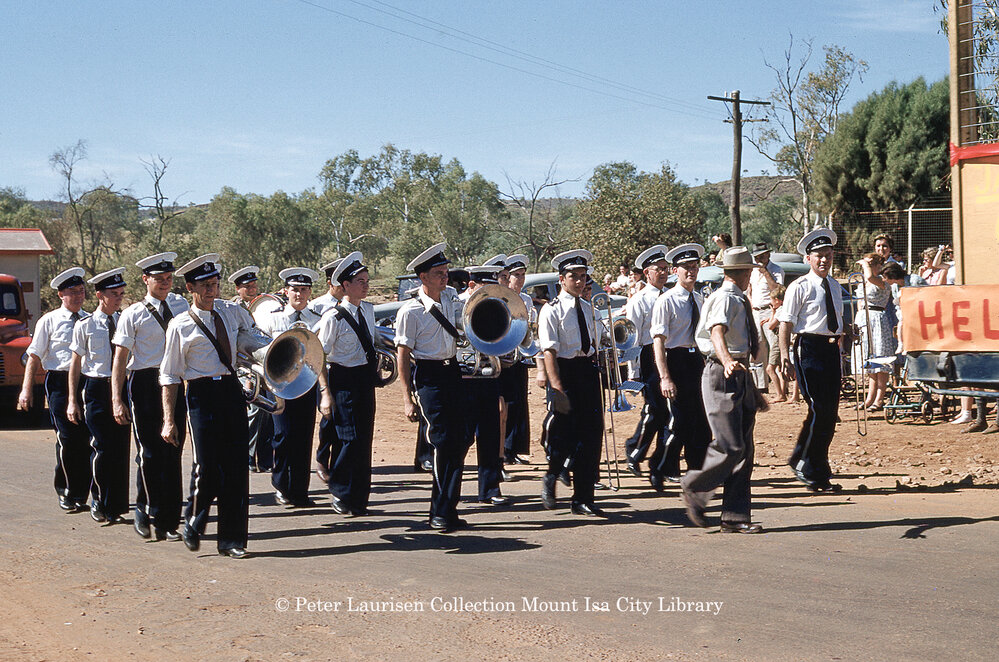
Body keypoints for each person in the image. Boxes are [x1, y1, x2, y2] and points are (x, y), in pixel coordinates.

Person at [160, 254, 271, 559]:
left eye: (215, 284)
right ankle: (194, 519)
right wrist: (169, 419)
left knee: (236, 468)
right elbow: (169, 376)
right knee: (207, 466)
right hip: (200, 395)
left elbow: (256, 339)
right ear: (190, 287)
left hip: (231, 391)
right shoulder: (180, 325)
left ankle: (232, 540)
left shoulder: (232, 312)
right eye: (205, 285)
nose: (212, 290)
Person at [680, 246, 764, 534]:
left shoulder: (738, 298)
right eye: (749, 271)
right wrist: (728, 361)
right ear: (742, 273)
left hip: (739, 371)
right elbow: (717, 331)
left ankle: (735, 516)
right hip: (722, 371)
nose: (750, 275)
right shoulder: (725, 299)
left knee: (744, 449)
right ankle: (694, 486)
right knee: (731, 445)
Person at [112, 252, 189, 540]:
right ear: (146, 280)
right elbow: (120, 359)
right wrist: (116, 398)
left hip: (176, 381)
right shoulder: (133, 313)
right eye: (159, 279)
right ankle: (145, 509)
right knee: (150, 451)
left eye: (169, 279)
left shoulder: (181, 305)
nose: (165, 284)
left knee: (173, 450)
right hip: (145, 382)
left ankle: (169, 520)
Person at [395, 242, 471, 532]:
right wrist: (406, 398)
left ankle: (448, 507)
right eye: (439, 273)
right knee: (442, 443)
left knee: (461, 439)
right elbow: (403, 355)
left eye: (446, 271)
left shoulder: (451, 299)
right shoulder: (410, 312)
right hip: (429, 377)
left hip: (453, 373)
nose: (445, 277)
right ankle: (439, 511)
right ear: (423, 277)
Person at [18, 267, 92, 512]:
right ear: (61, 294)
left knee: (86, 439)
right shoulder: (49, 321)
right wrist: (26, 390)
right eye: (73, 292)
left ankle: (83, 491)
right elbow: (34, 356)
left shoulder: (90, 319)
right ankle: (66, 489)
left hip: (86, 382)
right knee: (68, 438)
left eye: (82, 291)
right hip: (59, 383)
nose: (79, 296)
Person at [777, 228, 845, 493]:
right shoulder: (799, 287)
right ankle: (809, 465)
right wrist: (784, 356)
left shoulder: (836, 286)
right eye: (818, 256)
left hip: (831, 350)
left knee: (829, 412)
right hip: (809, 349)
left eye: (828, 255)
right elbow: (786, 323)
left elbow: (834, 320)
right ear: (808, 259)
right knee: (820, 409)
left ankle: (810, 463)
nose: (824, 260)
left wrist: (846, 330)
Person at [538, 249, 605, 516]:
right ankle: (552, 473)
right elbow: (549, 351)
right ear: (561, 279)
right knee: (564, 435)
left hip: (587, 371)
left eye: (582, 276)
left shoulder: (590, 309)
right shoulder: (551, 310)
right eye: (573, 276)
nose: (579, 281)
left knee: (591, 435)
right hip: (564, 373)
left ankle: (583, 498)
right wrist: (556, 387)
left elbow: (599, 343)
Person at [255, 267, 328, 507]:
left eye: (304, 290)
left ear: (310, 293)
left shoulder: (317, 320)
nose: (299, 294)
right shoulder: (272, 318)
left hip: (305, 383)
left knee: (303, 436)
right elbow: (259, 351)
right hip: (278, 385)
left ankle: (299, 490)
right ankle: (281, 485)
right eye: (295, 289)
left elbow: (321, 356)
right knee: (282, 435)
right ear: (286, 291)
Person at [314, 252, 378, 516]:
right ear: (345, 286)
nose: (365, 285)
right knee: (348, 439)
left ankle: (359, 497)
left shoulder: (370, 310)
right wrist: (325, 393)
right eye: (359, 281)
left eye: (366, 280)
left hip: (365, 380)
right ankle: (340, 491)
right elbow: (319, 355)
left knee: (363, 440)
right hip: (342, 380)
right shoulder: (333, 318)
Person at [66, 268, 130, 525]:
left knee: (120, 448)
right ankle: (99, 500)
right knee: (101, 446)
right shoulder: (86, 325)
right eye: (114, 294)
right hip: (96, 389)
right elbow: (75, 364)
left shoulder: (126, 320)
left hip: (122, 387)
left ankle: (116, 504)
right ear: (100, 295)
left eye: (122, 294)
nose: (119, 299)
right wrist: (72, 400)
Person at [648, 244, 712, 490]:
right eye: (686, 268)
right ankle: (659, 466)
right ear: (675, 271)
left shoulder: (699, 298)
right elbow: (659, 341)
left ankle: (696, 474)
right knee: (679, 422)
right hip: (675, 360)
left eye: (694, 267)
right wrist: (665, 377)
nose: (691, 272)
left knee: (701, 423)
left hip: (696, 362)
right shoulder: (666, 300)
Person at [458, 264, 508, 506]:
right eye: (485, 286)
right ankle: (452, 486)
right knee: (462, 436)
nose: (490, 291)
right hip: (464, 378)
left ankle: (489, 489)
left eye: (493, 286)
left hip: (488, 374)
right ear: (471, 285)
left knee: (489, 432)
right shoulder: (457, 305)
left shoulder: (496, 305)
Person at [622, 244, 669, 477]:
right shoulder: (639, 300)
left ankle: (662, 462)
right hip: (648, 356)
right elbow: (632, 338)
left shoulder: (671, 296)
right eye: (657, 269)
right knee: (654, 410)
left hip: (671, 356)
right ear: (647, 273)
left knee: (669, 413)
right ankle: (635, 450)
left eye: (665, 268)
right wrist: (634, 372)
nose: (663, 272)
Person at [228, 266, 273, 473]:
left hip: (262, 362)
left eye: (254, 285)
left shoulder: (264, 305)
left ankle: (264, 458)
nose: (252, 289)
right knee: (254, 410)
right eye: (247, 287)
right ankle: (245, 454)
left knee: (267, 410)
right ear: (238, 289)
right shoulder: (232, 308)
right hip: (244, 365)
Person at [309, 258, 344, 483]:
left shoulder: (355, 303)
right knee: (328, 418)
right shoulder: (318, 306)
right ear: (331, 281)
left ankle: (339, 462)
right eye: (340, 281)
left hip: (345, 368)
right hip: (325, 368)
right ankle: (322, 458)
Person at [502, 254, 536, 466]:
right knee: (505, 403)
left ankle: (516, 448)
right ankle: (503, 449)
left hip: (520, 355)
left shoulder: (527, 300)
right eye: (516, 275)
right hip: (504, 356)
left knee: (519, 402)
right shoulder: (500, 296)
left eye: (523, 275)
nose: (520, 280)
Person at [854, 253, 894, 411]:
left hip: (877, 319)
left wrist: (865, 264)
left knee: (880, 359)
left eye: (871, 264)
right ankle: (869, 398)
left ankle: (879, 399)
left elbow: (870, 277)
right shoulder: (865, 281)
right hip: (864, 318)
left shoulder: (881, 281)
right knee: (870, 360)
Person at [747, 242, 786, 400]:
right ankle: (762, 386)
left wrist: (766, 272)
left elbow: (777, 290)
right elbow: (749, 290)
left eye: (762, 255)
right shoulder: (753, 271)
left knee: (775, 348)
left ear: (768, 255)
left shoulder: (776, 270)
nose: (760, 259)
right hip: (756, 311)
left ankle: (783, 389)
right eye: (757, 256)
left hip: (771, 310)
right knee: (758, 348)